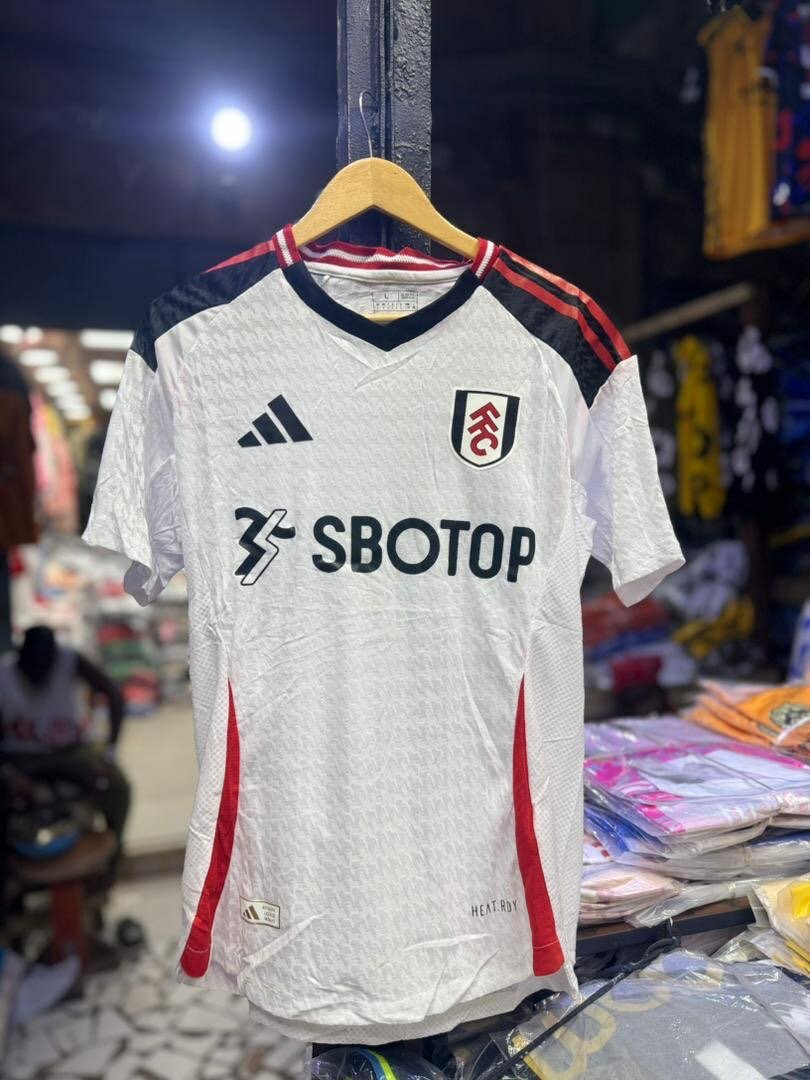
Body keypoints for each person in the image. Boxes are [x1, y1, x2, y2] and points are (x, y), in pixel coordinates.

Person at [0, 625, 130, 847]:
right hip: (21, 756)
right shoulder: (4, 674)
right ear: (20, 655)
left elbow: (114, 695)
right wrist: (7, 770)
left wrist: (109, 752)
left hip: (70, 751)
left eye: (45, 660)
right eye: (33, 661)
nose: (40, 666)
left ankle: (113, 851)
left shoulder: (70, 661)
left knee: (116, 786)